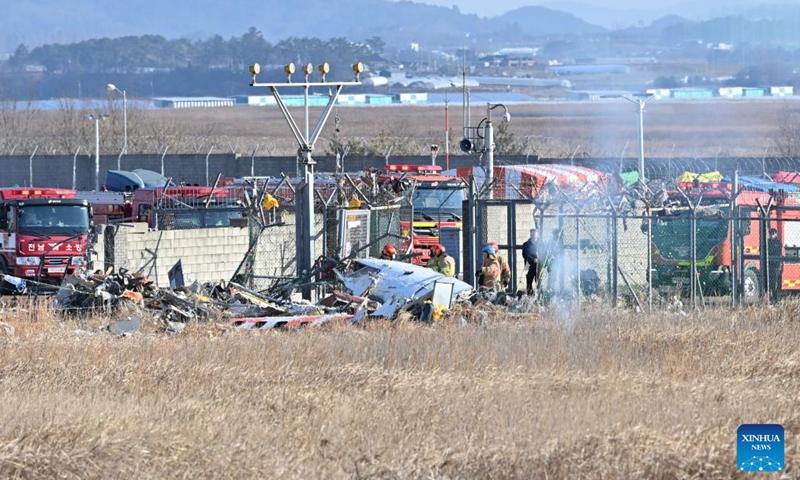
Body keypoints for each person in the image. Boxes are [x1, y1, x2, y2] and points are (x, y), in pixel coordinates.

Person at [521, 229, 540, 295]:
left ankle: (538, 295)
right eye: (533, 233)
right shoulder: (526, 244)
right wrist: (533, 259)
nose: (534, 235)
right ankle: (529, 294)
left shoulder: (540, 244)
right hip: (528, 264)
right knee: (529, 281)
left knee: (538, 280)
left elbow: (544, 253)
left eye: (536, 233)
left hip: (538, 265)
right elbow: (525, 254)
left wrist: (539, 259)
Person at [768, 227, 782, 303]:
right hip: (769, 264)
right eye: (771, 233)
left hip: (776, 264)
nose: (772, 235)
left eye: (773, 233)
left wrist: (780, 265)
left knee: (775, 281)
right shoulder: (767, 242)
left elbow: (779, 252)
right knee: (770, 282)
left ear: (776, 234)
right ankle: (771, 297)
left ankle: (776, 297)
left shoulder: (778, 242)